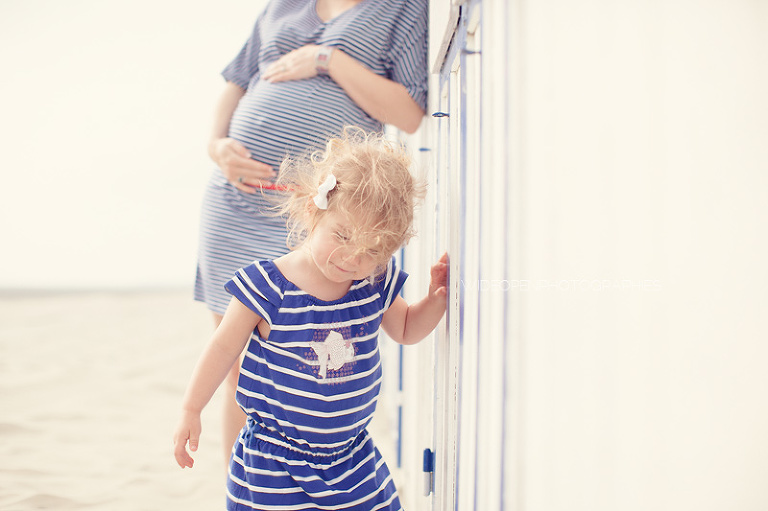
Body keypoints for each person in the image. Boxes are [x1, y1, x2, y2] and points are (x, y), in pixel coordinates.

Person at [194, 0, 429, 461]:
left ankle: (311, 477)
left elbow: (409, 113)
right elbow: (237, 84)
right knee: (241, 371)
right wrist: (217, 147)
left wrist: (329, 60)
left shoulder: (400, 9)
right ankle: (249, 492)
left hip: (334, 223)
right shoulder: (282, 6)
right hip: (235, 206)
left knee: (303, 370)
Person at [175, 129, 447, 510]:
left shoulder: (371, 282)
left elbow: (404, 329)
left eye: (371, 249)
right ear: (312, 211)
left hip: (351, 461)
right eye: (342, 235)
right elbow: (222, 348)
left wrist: (436, 300)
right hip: (274, 464)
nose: (352, 258)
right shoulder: (269, 285)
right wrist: (191, 409)